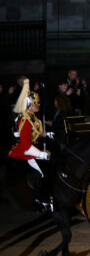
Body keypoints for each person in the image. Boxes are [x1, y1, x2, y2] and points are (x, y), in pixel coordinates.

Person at [8, 79, 52, 211]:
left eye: (37, 102)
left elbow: (37, 132)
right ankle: (42, 200)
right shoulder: (25, 120)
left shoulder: (33, 117)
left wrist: (46, 134)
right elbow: (26, 145)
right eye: (35, 103)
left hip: (32, 147)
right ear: (29, 104)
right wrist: (41, 154)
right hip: (24, 151)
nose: (38, 104)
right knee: (44, 173)